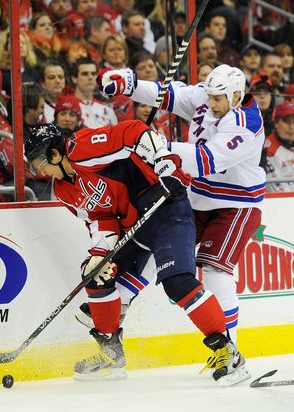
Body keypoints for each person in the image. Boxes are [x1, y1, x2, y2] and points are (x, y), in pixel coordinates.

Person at [25, 120, 247, 385]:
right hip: (134, 226)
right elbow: (100, 219)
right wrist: (99, 253)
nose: (41, 171)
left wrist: (163, 161)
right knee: (95, 276)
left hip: (166, 209)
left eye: (41, 163)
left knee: (177, 283)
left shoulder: (82, 148)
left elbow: (133, 130)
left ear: (55, 153)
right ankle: (111, 355)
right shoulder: (63, 190)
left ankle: (227, 351)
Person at [97, 64, 266, 370]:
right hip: (196, 198)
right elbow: (167, 94)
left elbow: (206, 160)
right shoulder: (206, 96)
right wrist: (128, 83)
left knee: (214, 270)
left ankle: (231, 352)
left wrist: (155, 146)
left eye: (219, 99)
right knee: (155, 248)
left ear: (237, 96)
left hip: (235, 205)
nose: (211, 104)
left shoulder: (246, 122)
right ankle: (118, 307)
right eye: (211, 97)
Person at [264, 101, 294, 192]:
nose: (291, 127)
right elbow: (277, 191)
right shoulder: (267, 150)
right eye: (287, 121)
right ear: (276, 123)